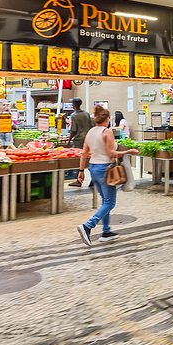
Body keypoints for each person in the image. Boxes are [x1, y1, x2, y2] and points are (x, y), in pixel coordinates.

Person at [76, 105, 139, 246]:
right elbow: (111, 153)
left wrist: (80, 172)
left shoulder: (90, 132)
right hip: (105, 168)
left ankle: (106, 231)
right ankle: (87, 226)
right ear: (107, 119)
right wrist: (128, 151)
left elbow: (84, 153)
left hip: (93, 169)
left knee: (105, 200)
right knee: (110, 202)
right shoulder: (107, 131)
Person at [68, 98, 94, 187]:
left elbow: (73, 130)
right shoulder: (86, 114)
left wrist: (69, 140)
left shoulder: (74, 115)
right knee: (89, 159)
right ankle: (93, 179)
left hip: (79, 140)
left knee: (79, 160)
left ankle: (78, 180)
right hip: (89, 138)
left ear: (73, 105)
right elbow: (91, 125)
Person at [112, 111, 135, 192]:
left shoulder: (122, 121)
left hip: (124, 141)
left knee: (124, 160)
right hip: (121, 142)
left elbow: (120, 128)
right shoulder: (120, 121)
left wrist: (111, 128)